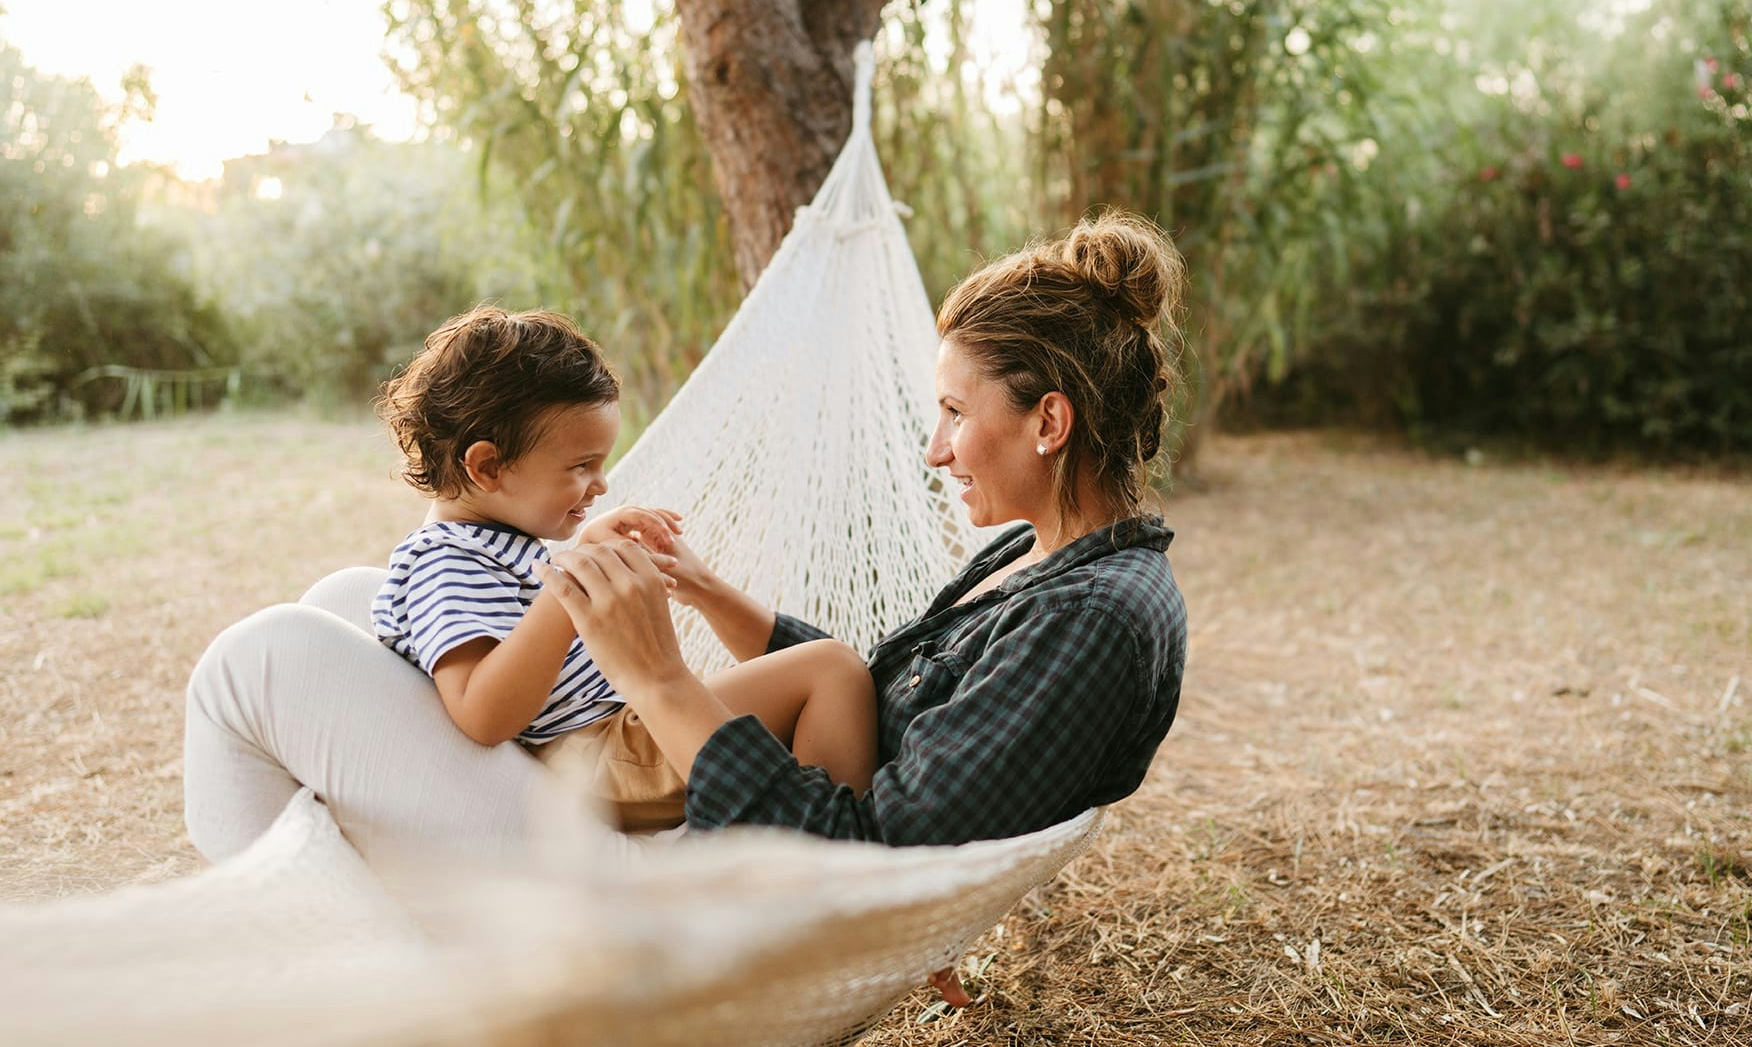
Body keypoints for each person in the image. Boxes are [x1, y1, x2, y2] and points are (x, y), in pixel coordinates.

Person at [182, 209, 1187, 861]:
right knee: (344, 602)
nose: (935, 449)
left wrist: (658, 679)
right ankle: (331, 910)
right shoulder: (1039, 563)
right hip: (598, 773)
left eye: (956, 414)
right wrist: (703, 591)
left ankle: (298, 931)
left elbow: (866, 846)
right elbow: (875, 697)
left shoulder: (1091, 622)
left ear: (1049, 422)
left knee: (259, 657)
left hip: (658, 858)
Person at [371, 306, 878, 831]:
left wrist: (586, 550)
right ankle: (833, 860)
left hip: (620, 739)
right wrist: (569, 589)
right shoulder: (445, 561)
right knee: (830, 668)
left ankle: (802, 843)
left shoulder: (496, 543)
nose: (601, 484)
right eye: (580, 466)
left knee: (819, 676)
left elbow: (529, 627)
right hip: (596, 756)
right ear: (488, 467)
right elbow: (482, 713)